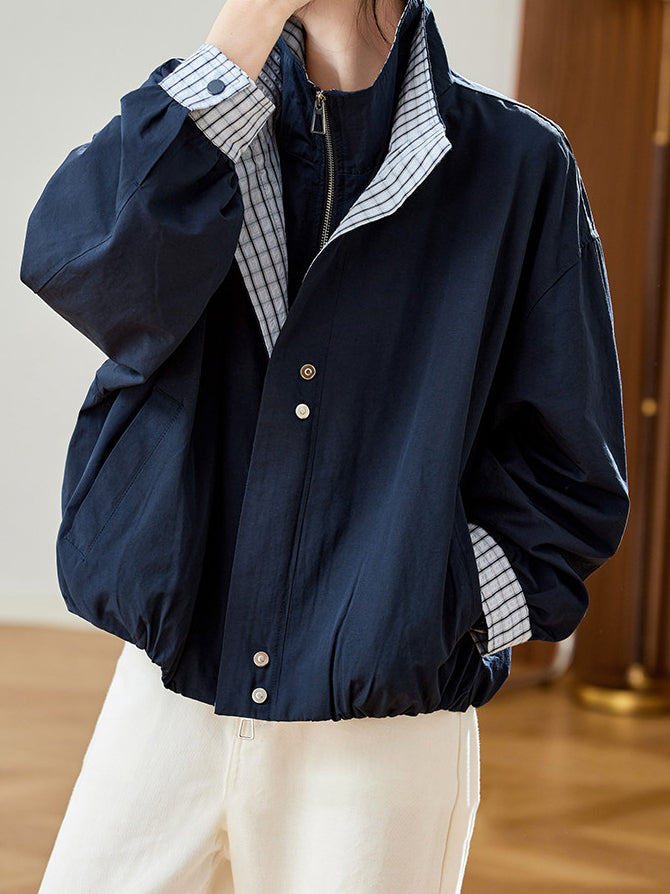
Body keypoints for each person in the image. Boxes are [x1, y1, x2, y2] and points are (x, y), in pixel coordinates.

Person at [19, 0, 630, 891]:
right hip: (169, 684)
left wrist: (436, 612)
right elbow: (87, 275)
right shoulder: (201, 126)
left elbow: (570, 472)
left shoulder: (517, 164)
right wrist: (241, 30)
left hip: (379, 717)